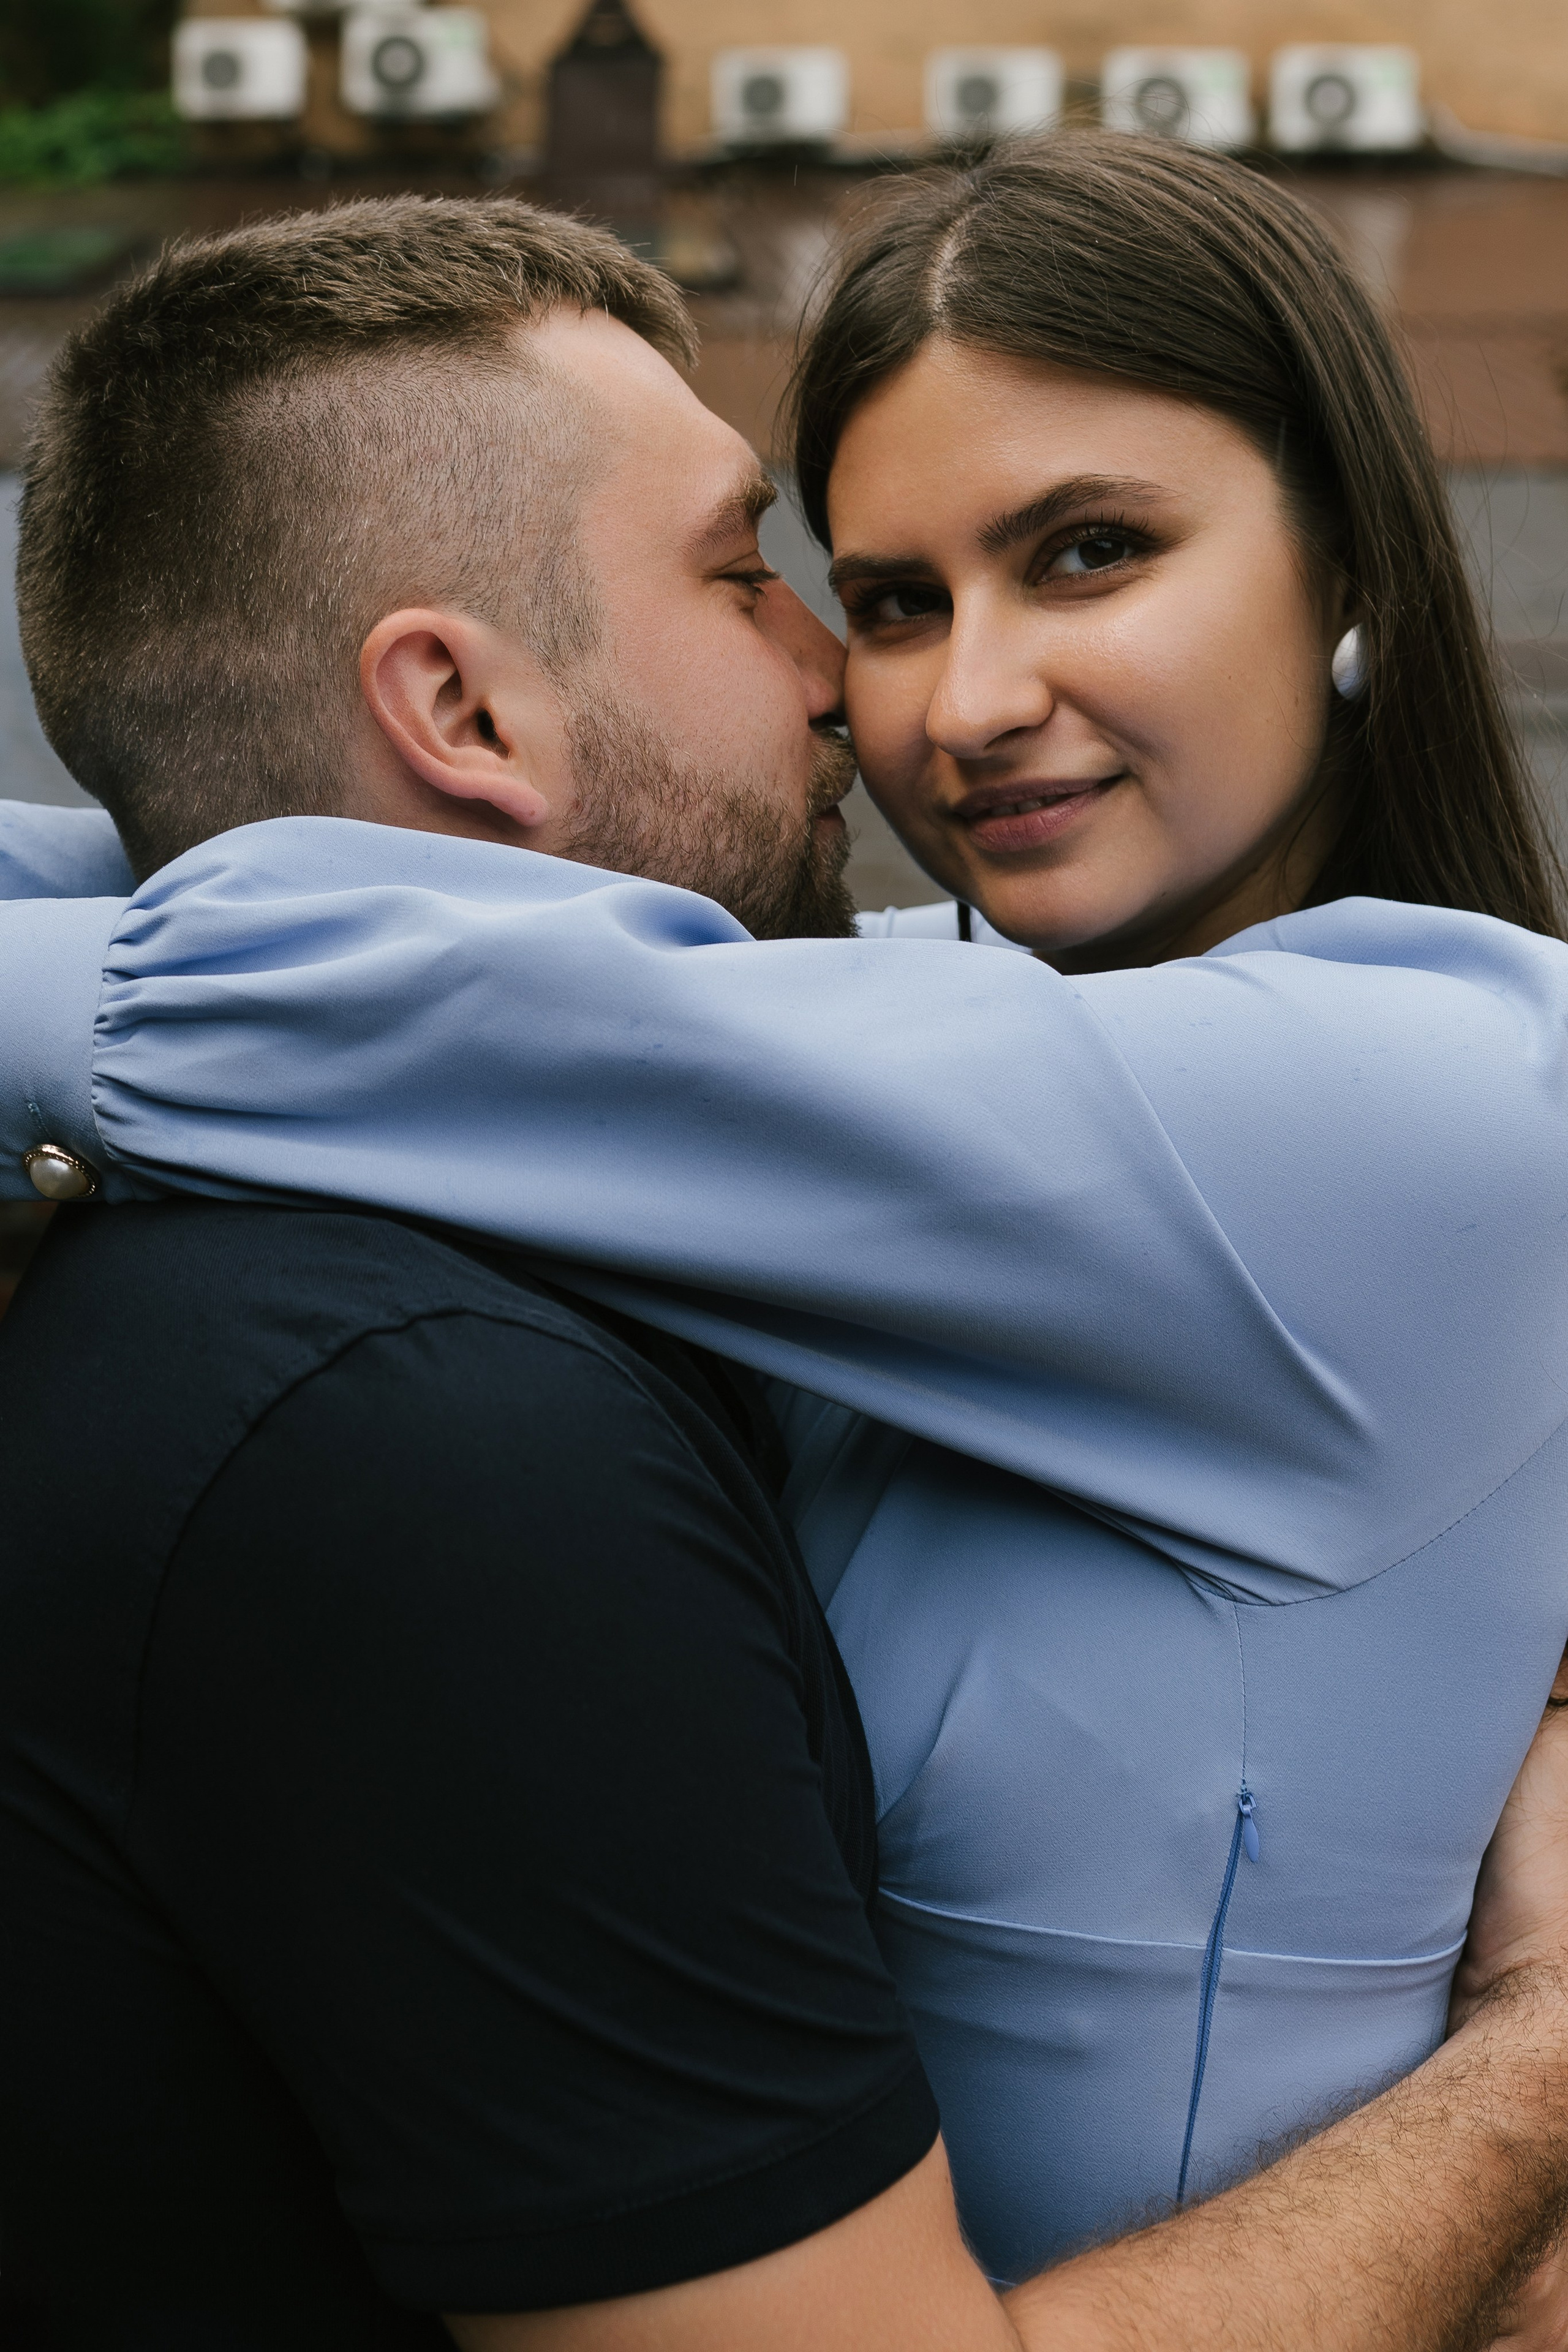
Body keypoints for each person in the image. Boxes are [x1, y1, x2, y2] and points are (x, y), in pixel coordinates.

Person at [4, 165, 1568, 2335]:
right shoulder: (932, 1051)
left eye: (1092, 552)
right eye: (886, 594)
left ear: (1351, 557)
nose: (945, 701)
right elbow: (408, 909)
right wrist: (192, 787)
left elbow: (372, 993)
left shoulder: (1427, 1096)